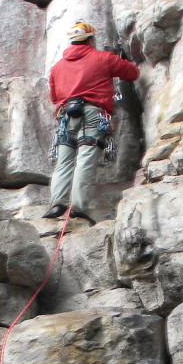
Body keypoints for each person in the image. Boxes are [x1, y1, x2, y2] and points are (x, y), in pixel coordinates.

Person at [43, 20, 139, 226]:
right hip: (93, 112)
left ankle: (56, 204)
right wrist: (123, 60)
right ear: (91, 39)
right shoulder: (103, 58)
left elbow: (54, 96)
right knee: (85, 158)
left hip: (66, 115)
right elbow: (132, 73)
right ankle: (78, 206)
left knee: (64, 160)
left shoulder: (57, 67)